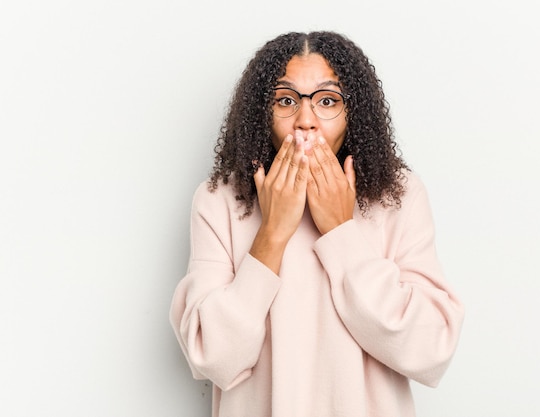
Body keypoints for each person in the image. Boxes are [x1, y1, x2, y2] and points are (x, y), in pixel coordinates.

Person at [170, 30, 464, 417]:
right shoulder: (219, 200)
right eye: (286, 100)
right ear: (262, 111)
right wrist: (272, 233)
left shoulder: (399, 195)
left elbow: (431, 349)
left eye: (327, 101)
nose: (305, 121)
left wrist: (342, 233)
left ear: (353, 112)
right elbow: (212, 355)